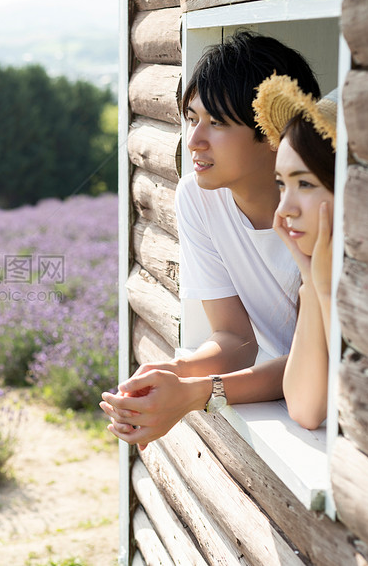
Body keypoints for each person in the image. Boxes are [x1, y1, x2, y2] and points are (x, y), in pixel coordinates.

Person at [100, 31, 320, 448]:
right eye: (192, 118)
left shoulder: (324, 208)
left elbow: (320, 366)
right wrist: (172, 374)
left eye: (216, 123)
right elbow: (236, 340)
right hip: (293, 398)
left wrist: (197, 393)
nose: (195, 140)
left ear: (273, 131)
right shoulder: (198, 197)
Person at [253, 75, 338, 430]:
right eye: (281, 184)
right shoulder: (322, 275)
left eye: (304, 183)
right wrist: (311, 282)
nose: (284, 207)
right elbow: (305, 409)